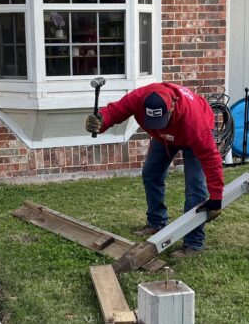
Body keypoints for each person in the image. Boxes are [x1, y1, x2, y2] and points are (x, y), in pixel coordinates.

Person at [85, 82, 224, 258]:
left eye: (160, 121)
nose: (157, 125)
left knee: (195, 186)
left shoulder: (195, 123)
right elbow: (114, 111)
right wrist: (101, 121)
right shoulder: (138, 97)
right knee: (151, 174)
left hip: (189, 132)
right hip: (164, 138)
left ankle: (193, 243)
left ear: (172, 107)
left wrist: (216, 198)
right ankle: (156, 223)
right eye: (154, 122)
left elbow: (211, 160)